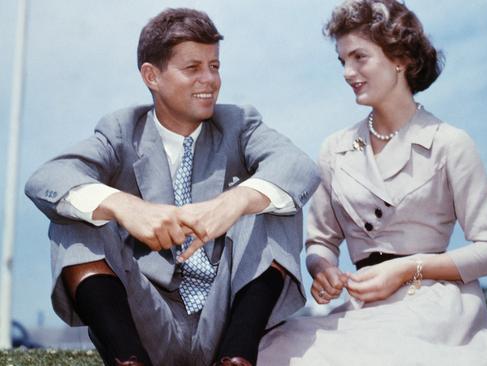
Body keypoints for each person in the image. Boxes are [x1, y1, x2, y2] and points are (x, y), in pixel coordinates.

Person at [257, 1, 487, 365]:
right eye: (342, 61)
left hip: (434, 304)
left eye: (359, 57)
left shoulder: (449, 143)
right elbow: (320, 240)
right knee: (276, 349)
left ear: (401, 59)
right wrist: (324, 269)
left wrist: (405, 269)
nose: (348, 72)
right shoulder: (335, 150)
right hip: (362, 307)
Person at [25, 8, 319, 366]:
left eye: (215, 66)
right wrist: (124, 206)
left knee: (271, 198)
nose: (209, 79)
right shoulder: (120, 131)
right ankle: (127, 361)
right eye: (193, 68)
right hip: (146, 322)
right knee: (76, 211)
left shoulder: (239, 123)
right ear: (152, 76)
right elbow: (48, 178)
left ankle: (237, 360)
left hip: (226, 320)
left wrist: (235, 202)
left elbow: (298, 166)